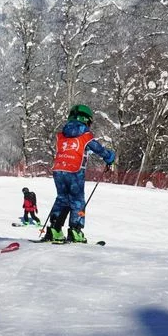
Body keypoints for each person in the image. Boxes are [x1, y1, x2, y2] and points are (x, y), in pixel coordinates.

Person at [42, 104, 115, 243]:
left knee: (62, 198)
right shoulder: (85, 135)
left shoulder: (61, 134)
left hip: (58, 170)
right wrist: (109, 156)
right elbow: (98, 149)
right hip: (75, 171)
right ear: (87, 120)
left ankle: (54, 229)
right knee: (77, 200)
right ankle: (75, 230)